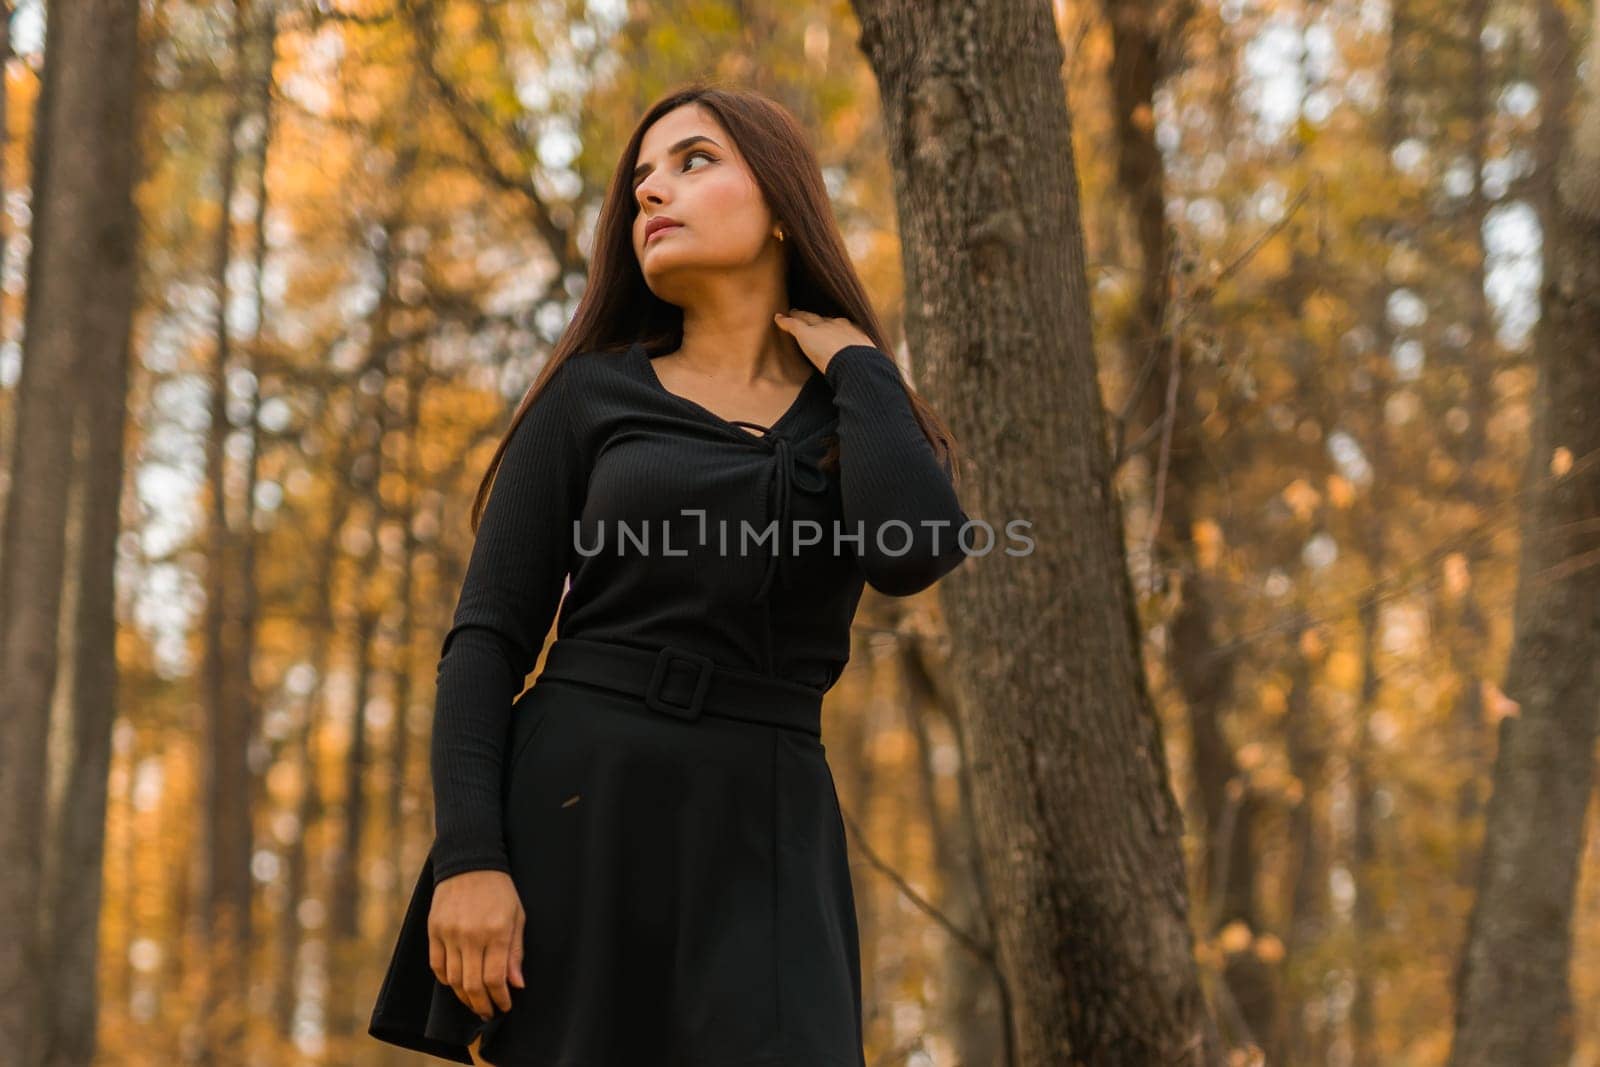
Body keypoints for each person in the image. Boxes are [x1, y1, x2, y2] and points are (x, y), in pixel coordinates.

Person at [368, 81, 969, 1066]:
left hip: (768, 829)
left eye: (692, 161)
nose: (652, 191)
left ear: (780, 204)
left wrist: (859, 363)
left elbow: (914, 553)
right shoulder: (589, 395)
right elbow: (486, 638)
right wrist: (471, 858)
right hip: (579, 809)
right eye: (640, 179)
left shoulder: (858, 411)